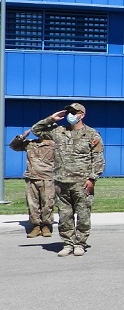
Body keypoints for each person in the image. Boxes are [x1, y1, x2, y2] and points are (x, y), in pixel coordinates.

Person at [30, 103, 105, 257]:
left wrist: (92, 179)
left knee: (83, 216)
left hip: (82, 183)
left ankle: (80, 244)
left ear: (82, 115)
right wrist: (51, 118)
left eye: (74, 112)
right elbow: (36, 130)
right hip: (61, 182)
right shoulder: (59, 131)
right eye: (68, 112)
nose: (70, 114)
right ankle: (68, 244)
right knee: (64, 217)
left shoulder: (92, 135)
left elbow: (98, 159)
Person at [9, 130, 56, 238]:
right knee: (32, 204)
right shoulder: (31, 144)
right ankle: (36, 226)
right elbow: (13, 146)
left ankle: (46, 226)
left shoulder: (55, 145)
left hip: (48, 178)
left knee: (47, 203)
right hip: (32, 178)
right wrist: (22, 136)